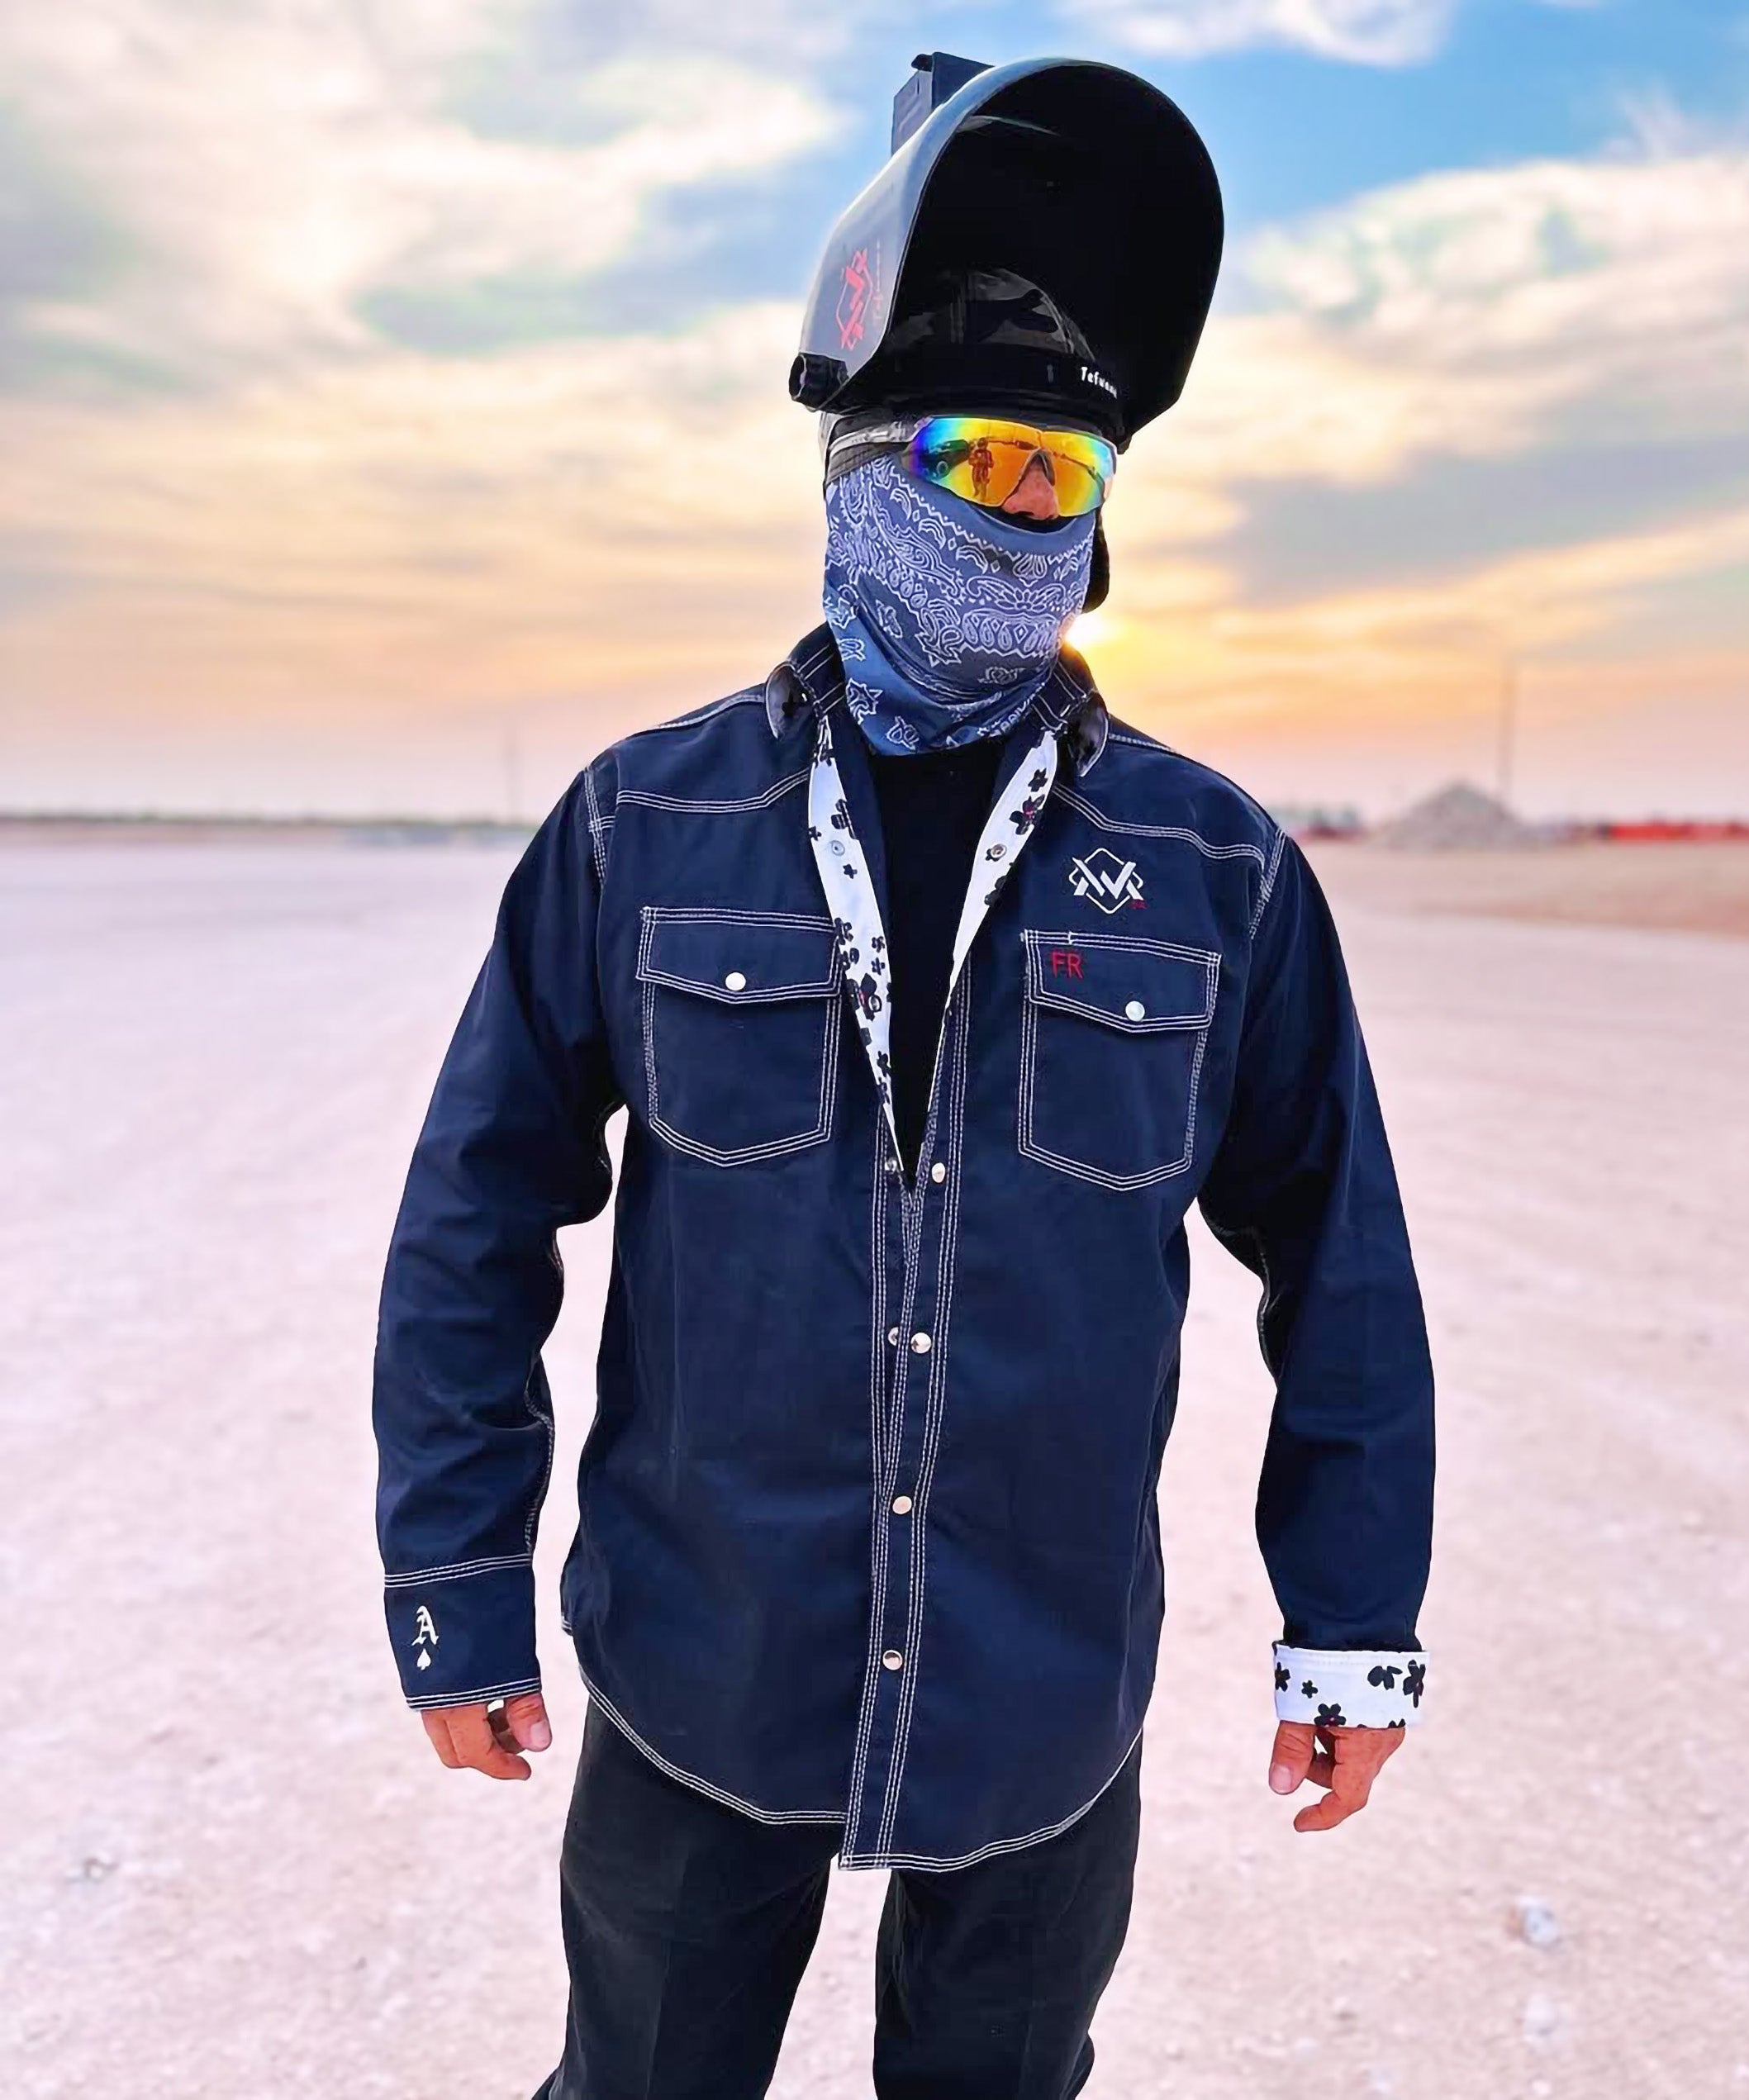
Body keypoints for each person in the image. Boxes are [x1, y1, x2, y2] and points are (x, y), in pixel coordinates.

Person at [373, 52, 1435, 2100]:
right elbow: (475, 1208)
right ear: (860, 466)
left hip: (1041, 1705)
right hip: (703, 1670)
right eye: (988, 461)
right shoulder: (640, 824)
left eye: (1072, 477)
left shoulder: (1218, 872)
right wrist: (453, 1574)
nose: (1030, 515)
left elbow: (1347, 1262)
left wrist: (1353, 1616)